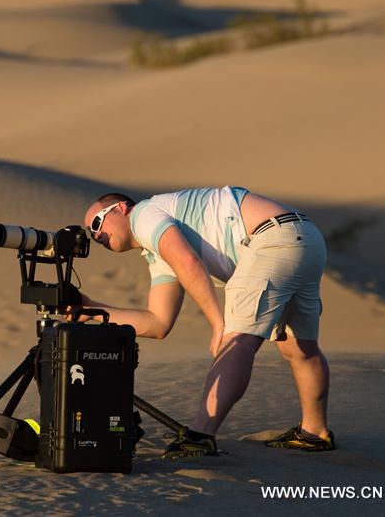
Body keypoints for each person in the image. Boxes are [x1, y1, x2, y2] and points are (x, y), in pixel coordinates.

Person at [72, 186, 334, 458]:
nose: (96, 235)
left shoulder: (144, 214)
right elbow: (157, 323)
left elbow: (188, 263)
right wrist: (89, 309)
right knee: (299, 347)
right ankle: (314, 433)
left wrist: (218, 324)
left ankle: (200, 436)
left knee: (237, 341)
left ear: (122, 208)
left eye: (97, 223)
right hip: (305, 240)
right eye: (92, 233)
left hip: (272, 239)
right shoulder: (159, 251)